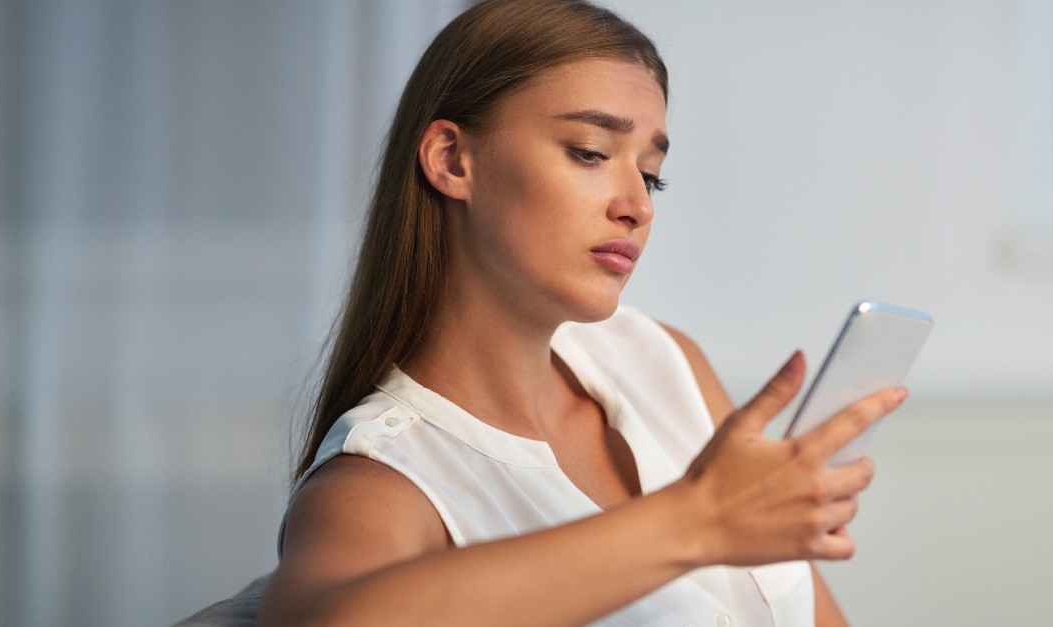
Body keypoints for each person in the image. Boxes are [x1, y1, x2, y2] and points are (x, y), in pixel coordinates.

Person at [259, 1, 907, 625]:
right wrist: (696, 519)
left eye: (650, 175)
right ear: (452, 159)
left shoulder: (662, 360)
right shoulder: (383, 474)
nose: (638, 205)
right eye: (591, 152)